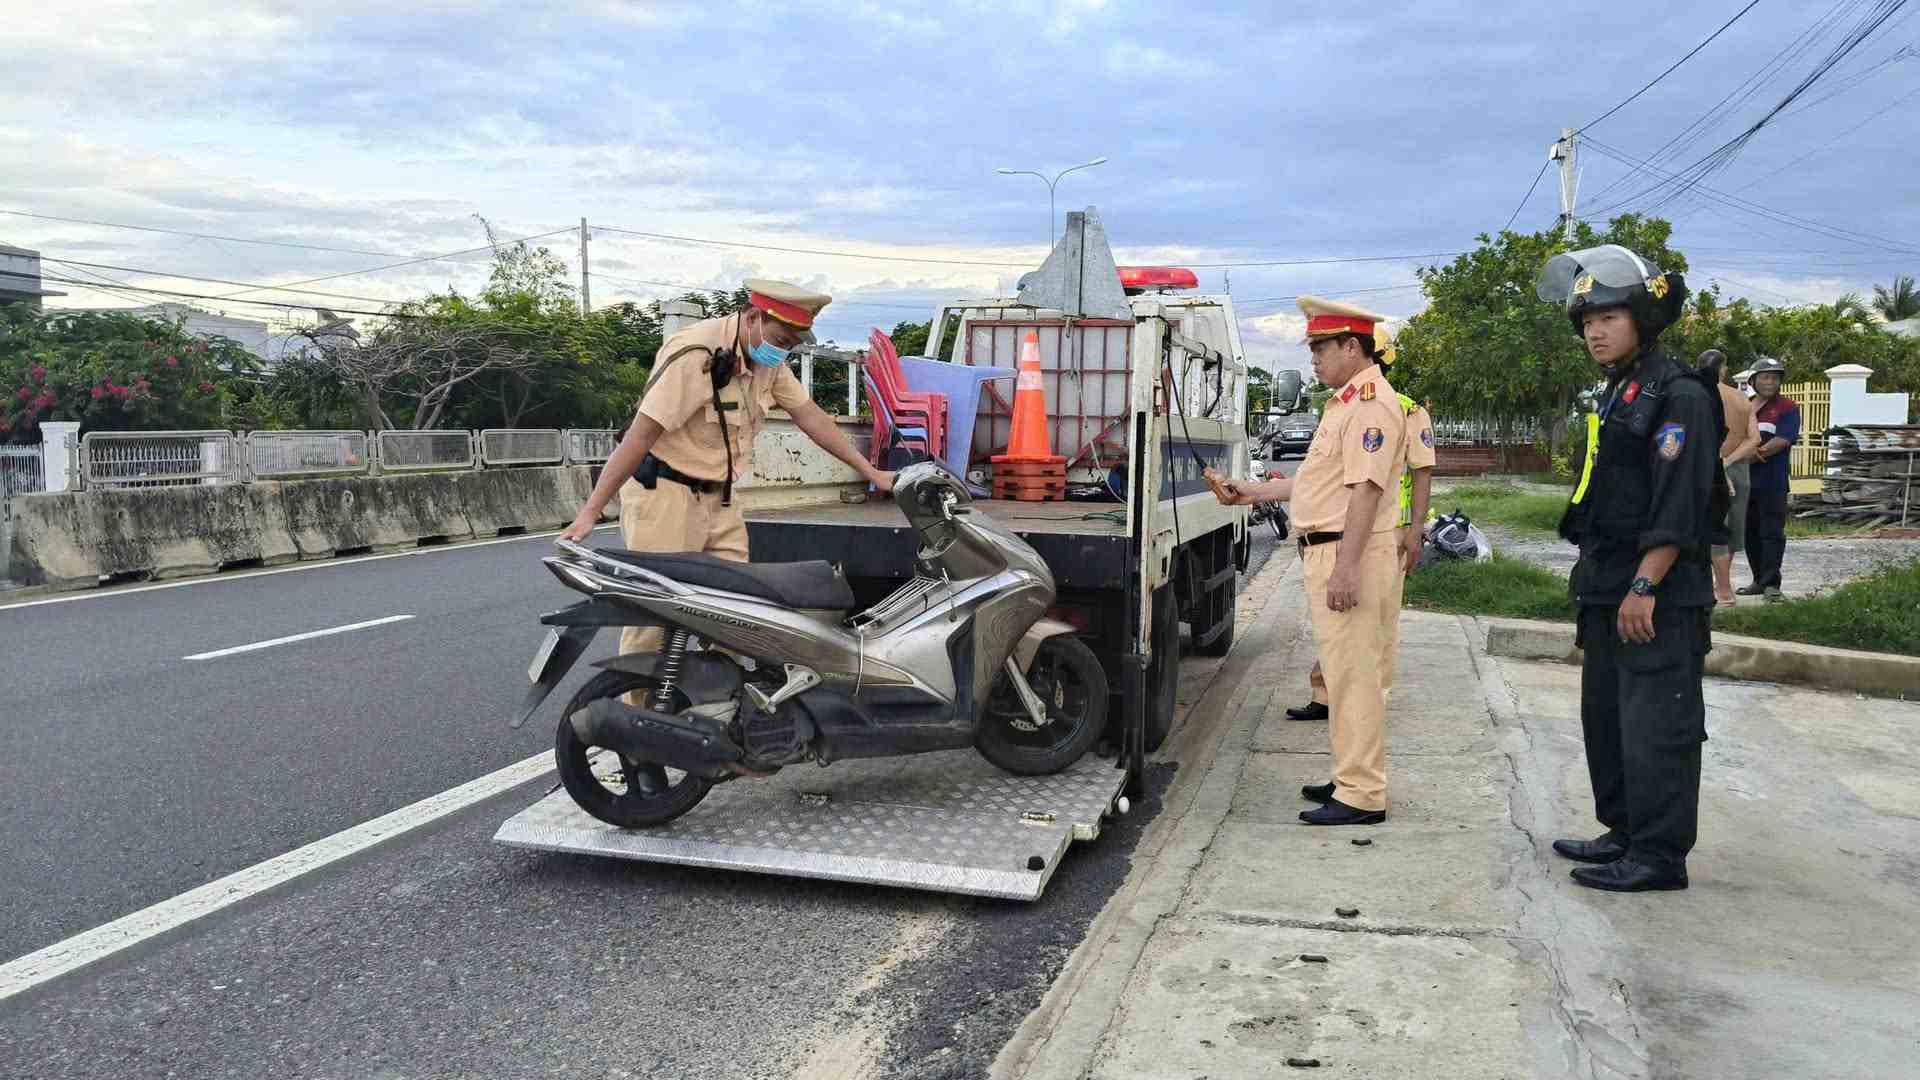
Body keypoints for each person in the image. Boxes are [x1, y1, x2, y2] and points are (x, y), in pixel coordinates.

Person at [559, 280, 896, 667]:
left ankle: (717, 711)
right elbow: (637, 437)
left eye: (790, 345)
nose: (782, 350)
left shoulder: (766, 360)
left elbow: (812, 418)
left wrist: (873, 472)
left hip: (721, 499)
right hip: (665, 495)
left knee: (740, 614)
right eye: (780, 339)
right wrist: (591, 511)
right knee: (653, 618)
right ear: (753, 317)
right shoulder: (694, 352)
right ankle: (636, 715)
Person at [1538, 244, 1726, 893]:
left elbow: (1681, 502)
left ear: (1643, 319)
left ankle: (1659, 854)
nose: (1594, 328)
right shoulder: (1620, 393)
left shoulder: (1681, 397)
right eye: (1586, 318)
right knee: (1609, 719)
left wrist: (1645, 583)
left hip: (1658, 597)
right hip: (1607, 586)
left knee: (1658, 725)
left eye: (1609, 315)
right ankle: (1623, 830)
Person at [1206, 296, 1405, 826]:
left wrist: (1346, 567)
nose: (1313, 358)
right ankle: (1350, 776)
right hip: (1333, 547)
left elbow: (1365, 490)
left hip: (1348, 550)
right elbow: (1320, 481)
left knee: (1356, 677)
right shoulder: (1344, 403)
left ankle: (1362, 795)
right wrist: (1249, 491)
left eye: (1321, 347)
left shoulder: (1371, 406)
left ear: (1353, 346)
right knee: (1342, 676)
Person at [1287, 333, 1434, 720]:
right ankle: (1327, 698)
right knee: (1342, 632)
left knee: (1374, 632)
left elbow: (1422, 473)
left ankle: (1365, 709)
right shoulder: (1346, 406)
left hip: (1388, 533)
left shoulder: (1405, 409)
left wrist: (1415, 528)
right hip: (1353, 530)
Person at [1697, 350, 1759, 606]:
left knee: (1712, 528)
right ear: (1723, 369)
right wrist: (1729, 462)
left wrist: (1718, 465)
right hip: (1738, 468)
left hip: (1706, 468)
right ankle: (1721, 585)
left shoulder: (1696, 395)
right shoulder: (1741, 399)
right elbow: (1754, 439)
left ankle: (1722, 588)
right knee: (1730, 528)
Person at [1739, 357, 1798, 602]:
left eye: (1774, 378)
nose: (1770, 382)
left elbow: (1784, 439)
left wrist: (1751, 456)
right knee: (1749, 532)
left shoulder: (1787, 407)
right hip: (1745, 481)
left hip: (1772, 481)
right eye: (1764, 377)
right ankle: (1758, 580)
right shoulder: (1746, 406)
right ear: (1753, 381)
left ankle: (1772, 584)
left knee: (1771, 532)